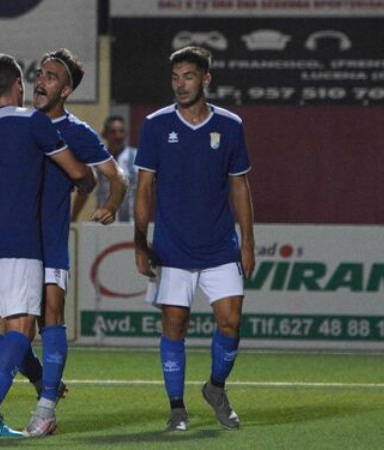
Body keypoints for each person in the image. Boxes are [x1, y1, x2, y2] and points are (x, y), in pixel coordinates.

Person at [0, 53, 95, 438]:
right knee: (21, 329)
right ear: (18, 85)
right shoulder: (32, 121)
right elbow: (75, 171)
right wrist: (84, 183)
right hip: (18, 239)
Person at [133, 46, 255, 432]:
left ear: (206, 79)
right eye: (175, 77)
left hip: (220, 245)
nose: (180, 85)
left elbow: (240, 187)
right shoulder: (155, 125)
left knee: (231, 322)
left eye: (187, 77)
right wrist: (140, 242)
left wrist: (248, 242)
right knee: (175, 324)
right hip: (172, 248)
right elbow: (144, 189)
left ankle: (215, 388)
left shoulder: (230, 125)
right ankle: (177, 408)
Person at [21, 48, 128, 438]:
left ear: (65, 90)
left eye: (50, 76)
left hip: (50, 239)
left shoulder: (78, 132)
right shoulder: (18, 122)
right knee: (12, 334)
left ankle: (46, 409)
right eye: (39, 73)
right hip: (12, 241)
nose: (40, 81)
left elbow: (116, 177)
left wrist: (112, 205)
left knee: (50, 314)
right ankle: (41, 381)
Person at [72, 115, 137, 222]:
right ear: (104, 134)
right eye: (113, 132)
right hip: (104, 221)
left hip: (130, 222)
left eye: (121, 131)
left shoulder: (135, 156)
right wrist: (73, 219)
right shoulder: (98, 158)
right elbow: (86, 188)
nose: (118, 136)